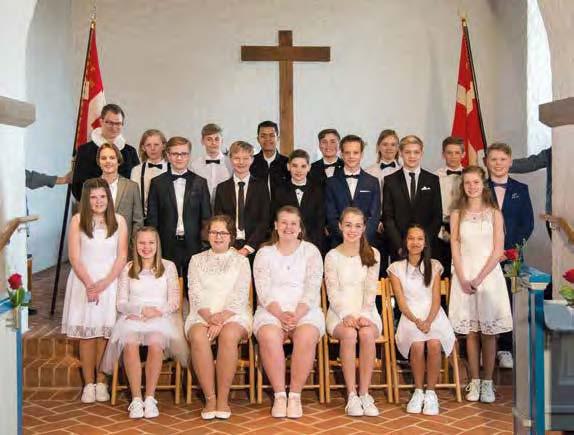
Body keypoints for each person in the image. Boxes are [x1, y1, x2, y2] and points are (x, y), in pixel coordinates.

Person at [101, 227, 188, 419]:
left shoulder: (168, 266)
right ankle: (136, 399)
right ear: (135, 245)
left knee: (156, 344)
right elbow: (121, 302)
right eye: (142, 243)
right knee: (130, 343)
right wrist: (139, 310)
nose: (146, 247)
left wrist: (157, 312)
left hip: (160, 316)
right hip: (134, 316)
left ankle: (150, 398)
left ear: (157, 245)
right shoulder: (128, 268)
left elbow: (174, 300)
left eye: (151, 243)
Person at [61, 178, 128, 403]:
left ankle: (101, 381)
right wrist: (90, 284)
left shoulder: (119, 221)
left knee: (105, 335)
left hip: (110, 282)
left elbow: (122, 256)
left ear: (109, 198)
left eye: (102, 196)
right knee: (87, 334)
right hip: (84, 282)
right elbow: (74, 256)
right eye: (93, 197)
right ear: (86, 199)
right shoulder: (77, 220)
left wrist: (105, 282)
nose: (98, 201)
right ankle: (88, 384)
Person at [253, 206, 324, 419]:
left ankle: (294, 396)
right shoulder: (264, 253)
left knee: (307, 335)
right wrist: (280, 314)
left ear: (300, 227)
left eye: (293, 223)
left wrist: (296, 314)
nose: (288, 227)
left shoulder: (311, 251)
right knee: (268, 335)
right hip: (271, 310)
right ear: (276, 225)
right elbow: (263, 290)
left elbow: (312, 288)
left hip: (305, 310)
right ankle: (279, 395)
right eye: (283, 222)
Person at [449, 165, 512, 403]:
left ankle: (487, 382)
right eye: (467, 183)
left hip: (488, 276)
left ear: (483, 184)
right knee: (471, 332)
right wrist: (463, 278)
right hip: (464, 276)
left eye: (475, 182)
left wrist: (479, 278)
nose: (471, 187)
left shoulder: (494, 213)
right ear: (462, 186)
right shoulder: (457, 214)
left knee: (489, 333)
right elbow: (455, 247)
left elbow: (498, 250)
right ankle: (474, 381)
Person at [185, 215, 252, 420]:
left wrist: (221, 319)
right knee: (199, 336)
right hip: (202, 314)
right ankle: (210, 398)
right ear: (208, 235)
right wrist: (210, 318)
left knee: (228, 335)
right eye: (214, 232)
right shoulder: (196, 260)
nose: (218, 236)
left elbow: (240, 295)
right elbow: (195, 293)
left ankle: (223, 399)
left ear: (231, 236)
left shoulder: (241, 261)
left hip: (234, 314)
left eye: (223, 232)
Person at [387, 225, 455, 415]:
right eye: (411, 238)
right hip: (410, 315)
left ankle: (431, 393)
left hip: (433, 314)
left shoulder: (434, 265)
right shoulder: (396, 268)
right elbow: (401, 303)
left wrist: (428, 321)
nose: (415, 242)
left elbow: (436, 300)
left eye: (419, 239)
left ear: (425, 243)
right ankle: (418, 391)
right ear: (405, 241)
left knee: (434, 343)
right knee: (417, 344)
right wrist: (417, 321)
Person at [324, 207, 382, 417]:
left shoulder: (373, 254)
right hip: (339, 312)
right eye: (348, 225)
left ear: (364, 228)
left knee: (366, 333)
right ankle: (351, 395)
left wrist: (364, 314)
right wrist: (345, 315)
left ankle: (364, 393)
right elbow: (332, 291)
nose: (352, 230)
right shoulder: (332, 256)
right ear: (340, 226)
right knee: (349, 334)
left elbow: (371, 289)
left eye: (357, 226)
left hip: (367, 311)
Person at [485, 143, 534, 369]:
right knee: (485, 299)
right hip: (484, 256)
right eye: (494, 159)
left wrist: (508, 252)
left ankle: (505, 348)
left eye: (502, 159)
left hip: (511, 257)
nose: (498, 164)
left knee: (508, 300)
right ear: (487, 162)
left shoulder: (521, 189)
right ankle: (485, 347)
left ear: (510, 162)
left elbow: (527, 225)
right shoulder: (479, 187)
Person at [146, 136, 211, 283]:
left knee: (193, 286)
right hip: (166, 245)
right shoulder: (157, 183)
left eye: (184, 154)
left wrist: (204, 246)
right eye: (175, 154)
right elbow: (152, 219)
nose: (179, 158)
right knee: (166, 285)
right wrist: (154, 246)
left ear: (189, 155)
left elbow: (206, 218)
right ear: (168, 155)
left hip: (194, 245)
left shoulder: (200, 182)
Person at [382, 135, 442, 262]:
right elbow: (388, 218)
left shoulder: (432, 180)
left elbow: (437, 216)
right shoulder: (390, 181)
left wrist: (423, 243)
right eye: (407, 152)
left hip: (426, 248)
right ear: (400, 153)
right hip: (399, 249)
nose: (412, 156)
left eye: (416, 152)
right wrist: (400, 245)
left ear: (421, 154)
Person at [72, 104, 140, 201]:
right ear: (101, 122)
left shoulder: (130, 152)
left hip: (124, 207)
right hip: (93, 206)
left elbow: (136, 186)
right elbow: (77, 188)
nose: (114, 127)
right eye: (110, 123)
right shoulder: (85, 151)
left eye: (118, 123)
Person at [214, 141, 270, 256]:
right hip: (228, 247)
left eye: (245, 158)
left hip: (254, 247)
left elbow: (264, 220)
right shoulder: (222, 188)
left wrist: (248, 248)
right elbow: (219, 221)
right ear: (230, 159)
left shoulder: (261, 186)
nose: (241, 162)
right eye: (236, 158)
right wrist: (230, 246)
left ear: (252, 160)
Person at [325, 134, 381, 247]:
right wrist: (346, 238)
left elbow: (374, 216)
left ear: (361, 154)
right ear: (341, 154)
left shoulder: (373, 182)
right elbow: (331, 216)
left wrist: (361, 239)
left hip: (366, 243)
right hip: (339, 243)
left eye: (355, 153)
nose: (351, 156)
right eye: (347, 153)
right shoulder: (331, 183)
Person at [272, 149, 325, 253]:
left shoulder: (318, 190)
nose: (299, 170)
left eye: (303, 166)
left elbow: (320, 222)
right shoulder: (279, 190)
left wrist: (311, 246)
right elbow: (275, 218)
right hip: (285, 243)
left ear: (309, 167)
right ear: (288, 167)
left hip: (312, 243)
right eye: (294, 166)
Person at [365, 129, 402, 275]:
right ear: (378, 147)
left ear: (398, 147)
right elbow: (366, 203)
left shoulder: (404, 171)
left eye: (393, 144)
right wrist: (375, 222)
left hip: (398, 227)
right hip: (374, 227)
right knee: (376, 268)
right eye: (385, 144)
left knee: (399, 268)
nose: (389, 148)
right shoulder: (368, 172)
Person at [97, 143, 143, 239]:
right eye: (103, 158)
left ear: (118, 161)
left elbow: (138, 221)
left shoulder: (131, 187)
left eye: (112, 158)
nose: (108, 161)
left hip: (123, 243)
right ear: (99, 162)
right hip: (96, 242)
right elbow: (84, 217)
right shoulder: (89, 186)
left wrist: (132, 244)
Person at [435, 136, 465, 277]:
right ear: (443, 154)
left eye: (457, 153)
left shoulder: (470, 176)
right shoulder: (434, 177)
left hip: (464, 227)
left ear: (463, 154)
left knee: (462, 272)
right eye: (449, 153)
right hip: (441, 229)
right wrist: (440, 231)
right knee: (442, 272)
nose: (453, 156)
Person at [190, 123, 232, 207]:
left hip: (226, 208)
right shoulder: (194, 165)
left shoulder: (231, 163)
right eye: (209, 139)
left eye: (217, 139)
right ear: (202, 141)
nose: (213, 143)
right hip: (202, 208)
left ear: (222, 140)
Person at [130, 129, 169, 216]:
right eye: (148, 145)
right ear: (143, 147)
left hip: (168, 218)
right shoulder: (136, 171)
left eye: (156, 144)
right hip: (144, 218)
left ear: (164, 146)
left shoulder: (172, 168)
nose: (152, 148)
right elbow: (133, 199)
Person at [249, 121, 289, 197]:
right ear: (258, 139)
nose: (267, 139)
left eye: (271, 135)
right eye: (263, 136)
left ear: (278, 138)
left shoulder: (288, 163)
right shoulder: (250, 163)